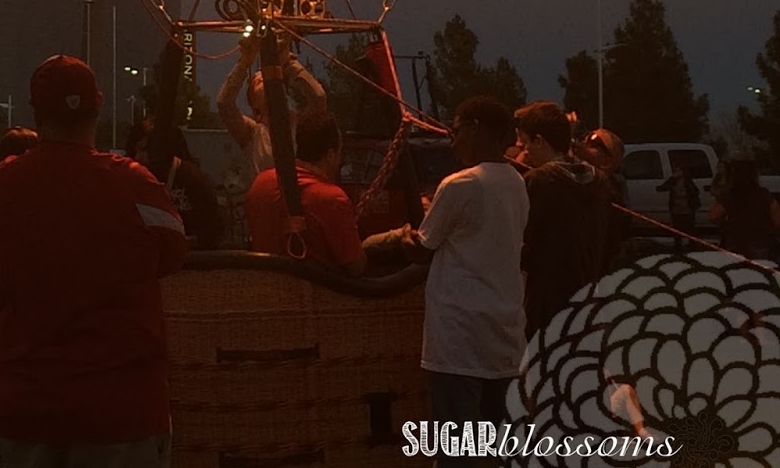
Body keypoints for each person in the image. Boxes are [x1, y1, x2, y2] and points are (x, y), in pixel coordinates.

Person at [0, 54, 188, 460]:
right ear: (98, 105)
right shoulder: (133, 183)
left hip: (29, 405)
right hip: (121, 408)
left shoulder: (3, 183)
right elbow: (174, 253)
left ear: (36, 112)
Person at [375, 97, 528, 447]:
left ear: (476, 129)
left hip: (458, 337)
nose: (453, 141)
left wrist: (403, 237)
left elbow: (422, 250)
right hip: (504, 333)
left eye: (456, 131)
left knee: (454, 447)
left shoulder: (459, 185)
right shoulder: (516, 183)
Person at [514, 101, 606, 336]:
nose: (523, 150)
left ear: (539, 141)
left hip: (547, 301)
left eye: (525, 143)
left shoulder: (539, 181)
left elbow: (522, 244)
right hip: (587, 296)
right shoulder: (598, 180)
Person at [245, 109, 366, 274]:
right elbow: (356, 267)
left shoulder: (259, 184)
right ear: (331, 155)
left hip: (263, 285)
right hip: (313, 289)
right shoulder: (333, 199)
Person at [217, 34, 327, 175]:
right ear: (254, 102)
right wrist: (244, 62)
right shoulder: (253, 134)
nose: (267, 80)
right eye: (259, 81)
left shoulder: (300, 125)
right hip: (266, 189)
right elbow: (224, 104)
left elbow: (318, 98)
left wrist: (288, 62)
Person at [126, 119, 223, 249]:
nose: (138, 157)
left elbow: (214, 230)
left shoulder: (193, 179)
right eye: (136, 150)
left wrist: (190, 241)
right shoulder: (137, 178)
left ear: (162, 149)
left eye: (144, 150)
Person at [709, 159, 780, 261]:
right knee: (759, 269)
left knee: (735, 269)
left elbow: (713, 216)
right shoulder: (764, 194)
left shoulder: (729, 195)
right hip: (760, 241)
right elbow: (777, 220)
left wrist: (725, 225)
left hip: (735, 241)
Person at [578, 128, 627, 271]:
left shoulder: (608, 192)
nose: (585, 143)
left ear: (607, 161)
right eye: (586, 138)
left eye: (594, 143)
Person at [657, 161, 700, 240]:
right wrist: (672, 178)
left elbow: (695, 191)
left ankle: (691, 243)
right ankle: (678, 244)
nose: (677, 172)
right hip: (676, 209)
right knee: (677, 229)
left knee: (689, 228)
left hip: (687, 208)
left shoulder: (687, 181)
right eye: (675, 171)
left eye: (678, 170)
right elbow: (662, 188)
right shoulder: (673, 181)